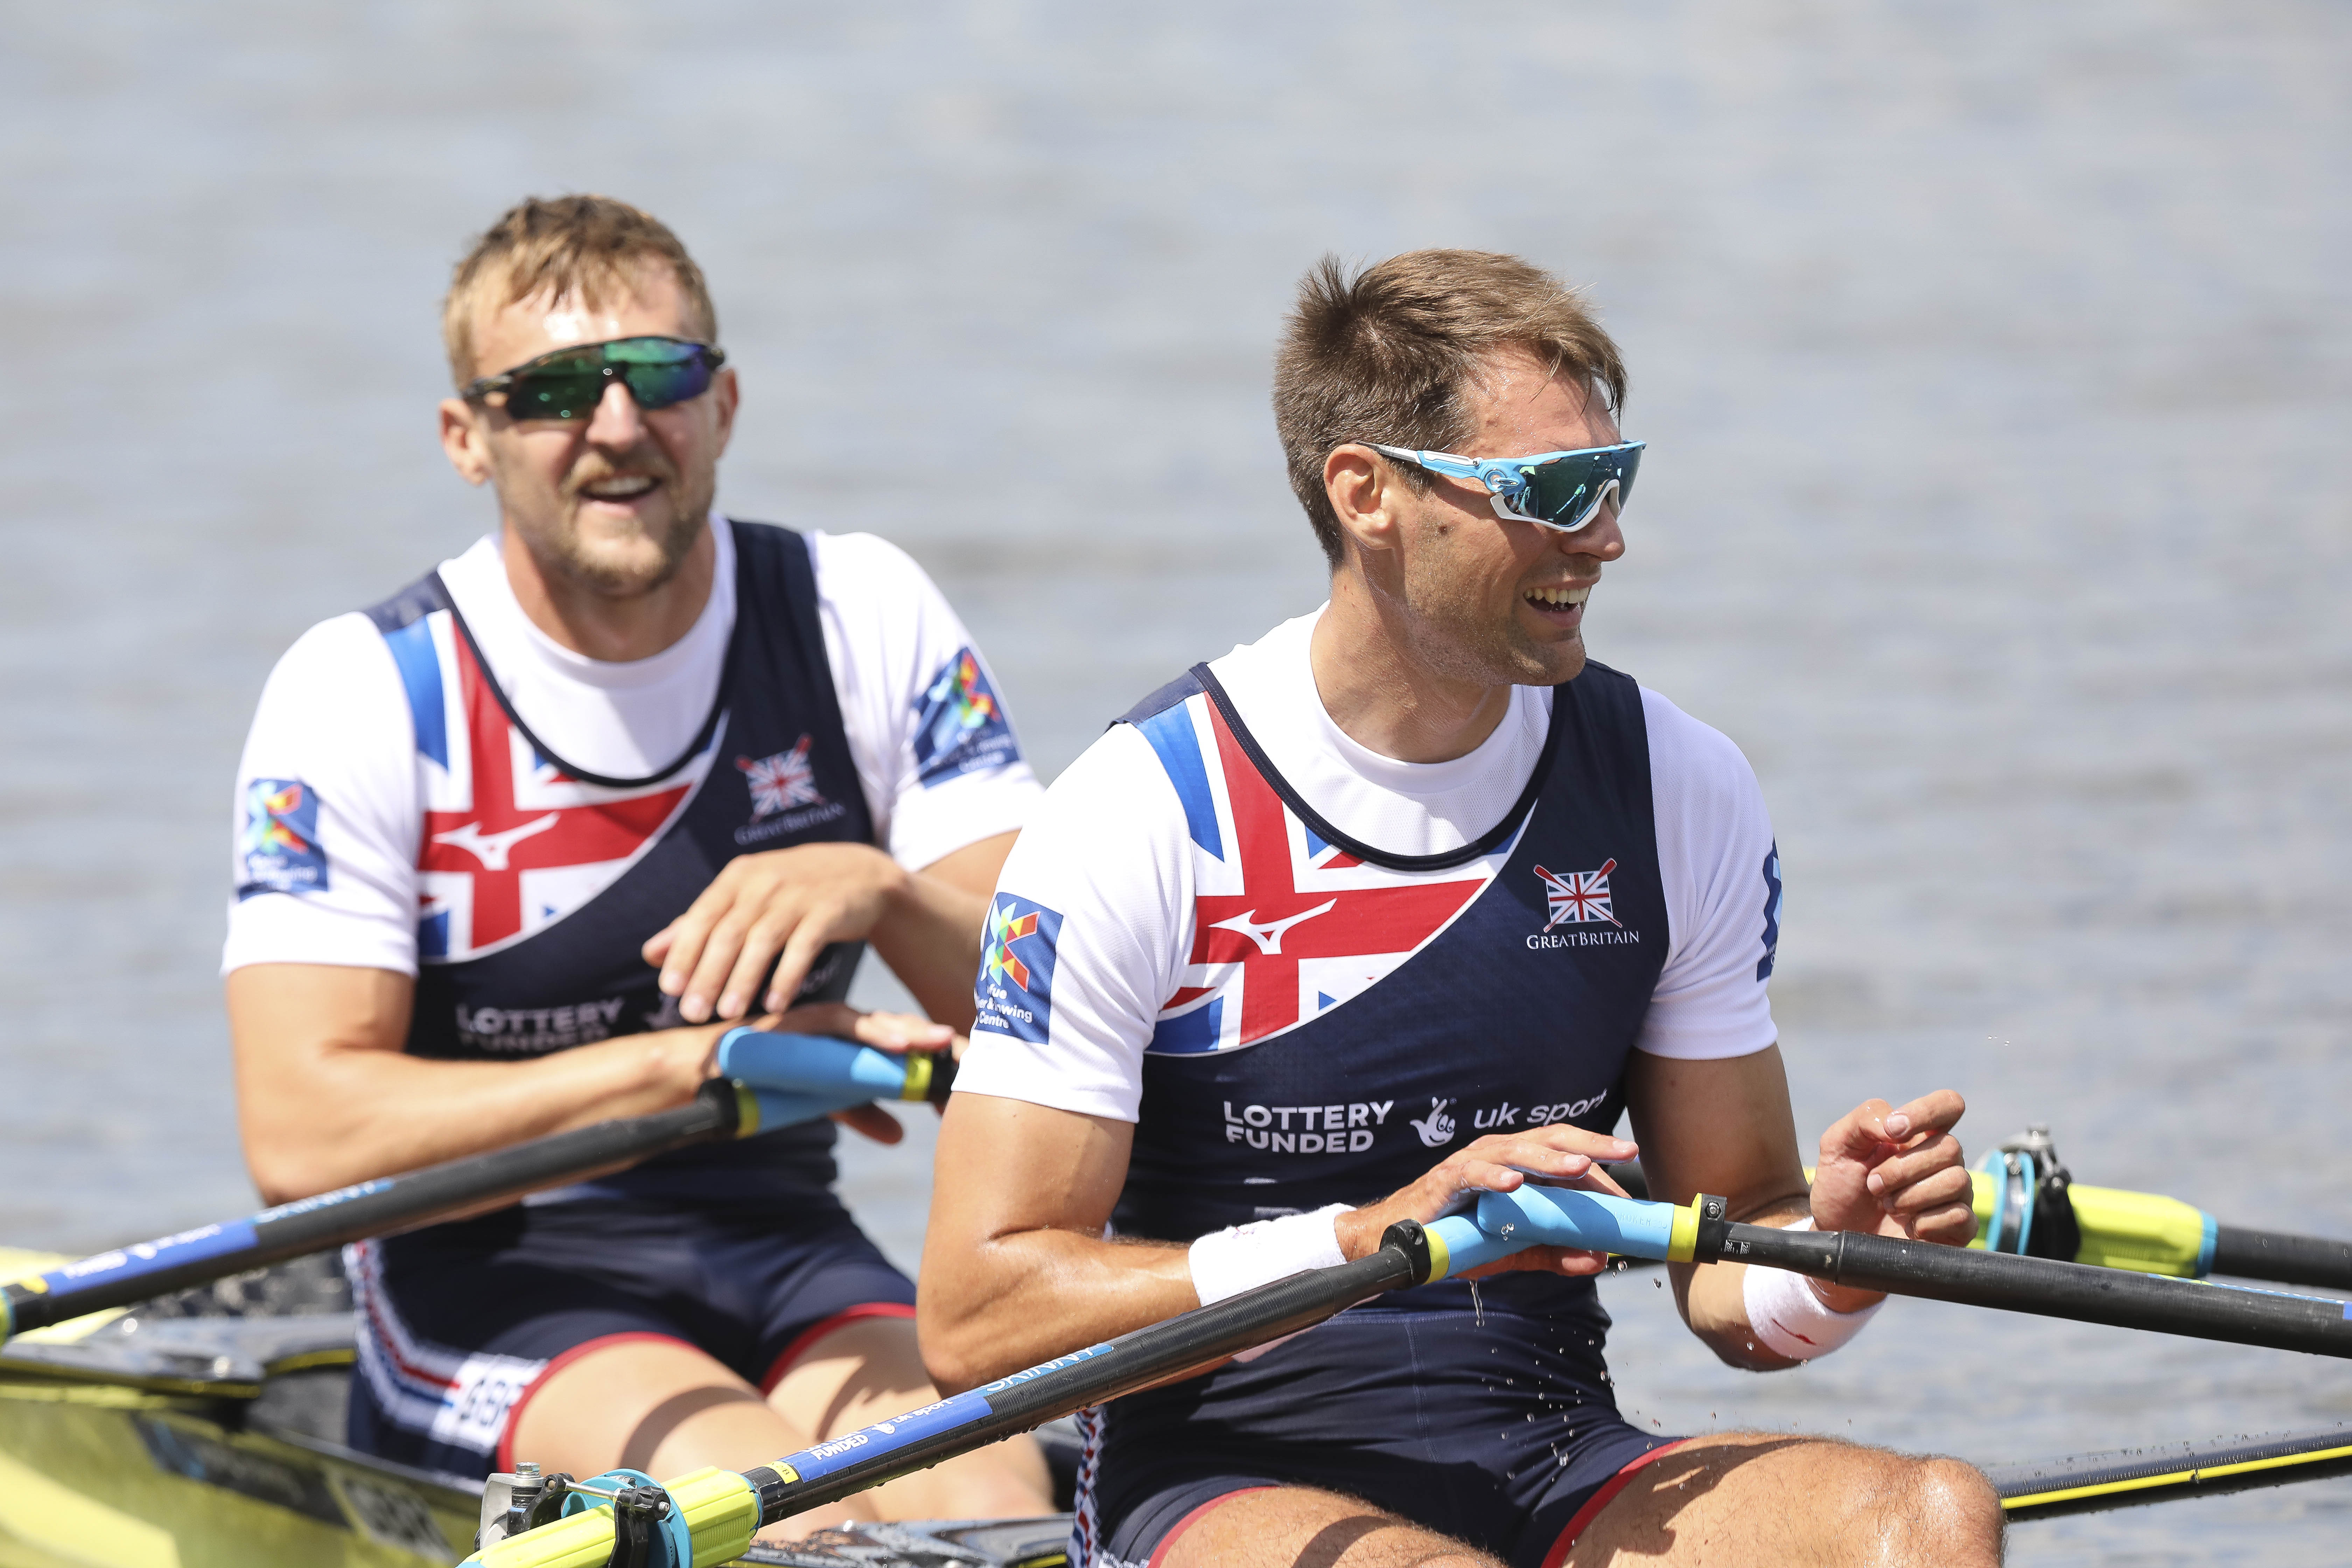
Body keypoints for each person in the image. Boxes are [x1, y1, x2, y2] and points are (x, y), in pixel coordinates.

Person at [921, 250, 2004, 1568]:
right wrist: (1366, 1240)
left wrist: (1834, 1258)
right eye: (1550, 492)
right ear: (1367, 494)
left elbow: (1730, 1270)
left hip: (1554, 1447)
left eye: (1616, 481)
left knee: (1933, 1521)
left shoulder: (1678, 785)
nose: (1606, 536)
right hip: (1220, 1477)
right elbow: (975, 1315)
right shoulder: (1144, 814)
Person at [223, 194, 1050, 1529]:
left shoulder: (858, 614)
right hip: (492, 1275)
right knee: (802, 1524)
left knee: (989, 1513)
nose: (615, 426)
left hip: (782, 1247)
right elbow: (301, 1135)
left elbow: (1053, 1026)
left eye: (658, 378)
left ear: (721, 406)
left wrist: (887, 891)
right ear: (467, 438)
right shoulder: (367, 690)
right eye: (551, 391)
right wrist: (680, 1065)